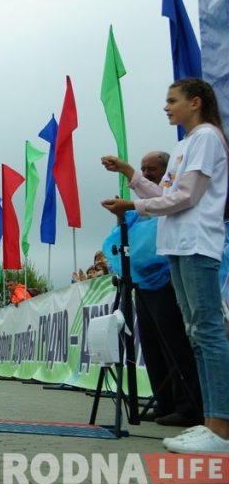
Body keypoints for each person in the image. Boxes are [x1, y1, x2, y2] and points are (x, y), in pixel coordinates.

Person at [101, 78, 229, 454]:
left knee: (207, 333)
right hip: (177, 246)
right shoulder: (185, 145)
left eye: (172, 100)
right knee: (196, 334)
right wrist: (130, 175)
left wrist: (134, 207)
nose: (166, 107)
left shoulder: (206, 137)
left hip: (197, 245)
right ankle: (209, 421)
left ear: (196, 102)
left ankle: (220, 426)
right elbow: (168, 194)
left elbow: (187, 197)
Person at [100, 150, 202, 427]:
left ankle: (188, 405)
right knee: (152, 345)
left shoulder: (166, 196)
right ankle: (165, 400)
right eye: (143, 170)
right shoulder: (144, 205)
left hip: (165, 278)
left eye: (151, 169)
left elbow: (158, 198)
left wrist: (126, 171)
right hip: (142, 282)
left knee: (174, 343)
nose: (146, 174)